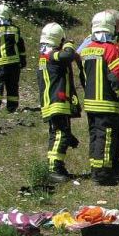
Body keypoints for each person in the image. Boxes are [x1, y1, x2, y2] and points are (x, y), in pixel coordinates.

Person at [79, 12, 119, 185]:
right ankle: (102, 175)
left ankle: (98, 168)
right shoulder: (110, 49)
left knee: (95, 136)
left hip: (90, 101)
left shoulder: (86, 49)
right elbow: (116, 78)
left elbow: (82, 76)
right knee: (106, 137)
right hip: (107, 103)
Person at [38, 22, 81, 182]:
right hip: (56, 102)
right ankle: (54, 169)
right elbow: (67, 56)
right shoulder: (51, 55)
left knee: (59, 134)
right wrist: (69, 45)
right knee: (59, 135)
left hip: (52, 102)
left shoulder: (44, 55)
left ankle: (59, 167)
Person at [0, 4, 26, 112]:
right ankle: (12, 108)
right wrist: (23, 60)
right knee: (13, 86)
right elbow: (21, 46)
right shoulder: (16, 29)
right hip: (15, 64)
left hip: (1, 64)